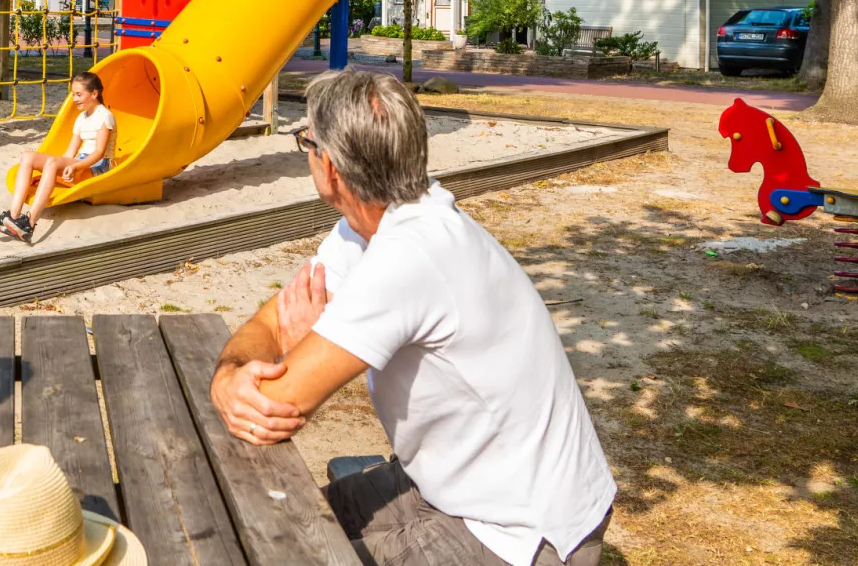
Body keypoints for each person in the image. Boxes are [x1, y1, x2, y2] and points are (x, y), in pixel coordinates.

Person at [209, 70, 615, 566]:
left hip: (519, 533)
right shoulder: (376, 223)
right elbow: (270, 322)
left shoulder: (409, 256)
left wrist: (269, 363)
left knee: (273, 549)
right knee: (271, 522)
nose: (307, 154)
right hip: (453, 485)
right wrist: (229, 377)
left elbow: (276, 408)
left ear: (331, 166)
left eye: (306, 142)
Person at [0, 72, 115, 244]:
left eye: (79, 94)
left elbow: (99, 152)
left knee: (52, 162)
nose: (75, 99)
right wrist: (60, 166)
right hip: (81, 161)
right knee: (28, 156)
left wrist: (75, 167)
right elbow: (70, 152)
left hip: (98, 166)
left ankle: (29, 223)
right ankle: (13, 216)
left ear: (94, 94)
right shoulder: (81, 118)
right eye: (73, 94)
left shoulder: (105, 116)